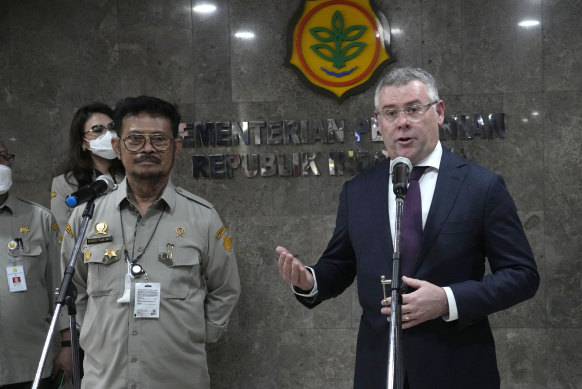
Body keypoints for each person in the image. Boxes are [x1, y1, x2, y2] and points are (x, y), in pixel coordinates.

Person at [276, 67, 539, 389]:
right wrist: (310, 280)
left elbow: (522, 275)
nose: (402, 121)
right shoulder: (358, 190)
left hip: (457, 369)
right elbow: (341, 264)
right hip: (380, 370)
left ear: (438, 112)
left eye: (414, 109)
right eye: (390, 113)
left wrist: (447, 299)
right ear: (379, 122)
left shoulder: (481, 187)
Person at [59, 95, 240, 389]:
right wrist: (95, 331)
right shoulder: (85, 217)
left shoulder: (202, 217)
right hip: (105, 380)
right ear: (117, 146)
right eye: (134, 139)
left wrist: (198, 333)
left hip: (178, 379)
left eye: (159, 139)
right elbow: (73, 290)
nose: (147, 148)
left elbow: (225, 288)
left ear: (176, 146)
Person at [0, 138, 70, 388]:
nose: (1, 164)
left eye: (4, 156)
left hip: (32, 364)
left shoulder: (40, 219)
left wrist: (68, 344)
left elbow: (60, 286)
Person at [51, 102, 125, 229]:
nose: (108, 135)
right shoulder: (65, 184)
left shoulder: (132, 175)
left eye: (112, 127)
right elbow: (64, 236)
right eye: (97, 130)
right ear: (83, 142)